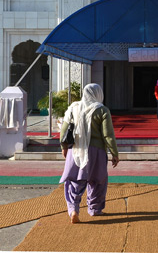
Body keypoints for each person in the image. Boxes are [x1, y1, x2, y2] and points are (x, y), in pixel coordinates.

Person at [59, 83, 119, 223]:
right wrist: (114, 153)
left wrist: (64, 147)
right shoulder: (102, 110)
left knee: (74, 181)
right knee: (98, 181)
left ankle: (73, 209)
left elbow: (64, 130)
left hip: (76, 151)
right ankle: (95, 209)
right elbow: (108, 135)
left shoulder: (74, 107)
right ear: (99, 94)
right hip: (96, 152)